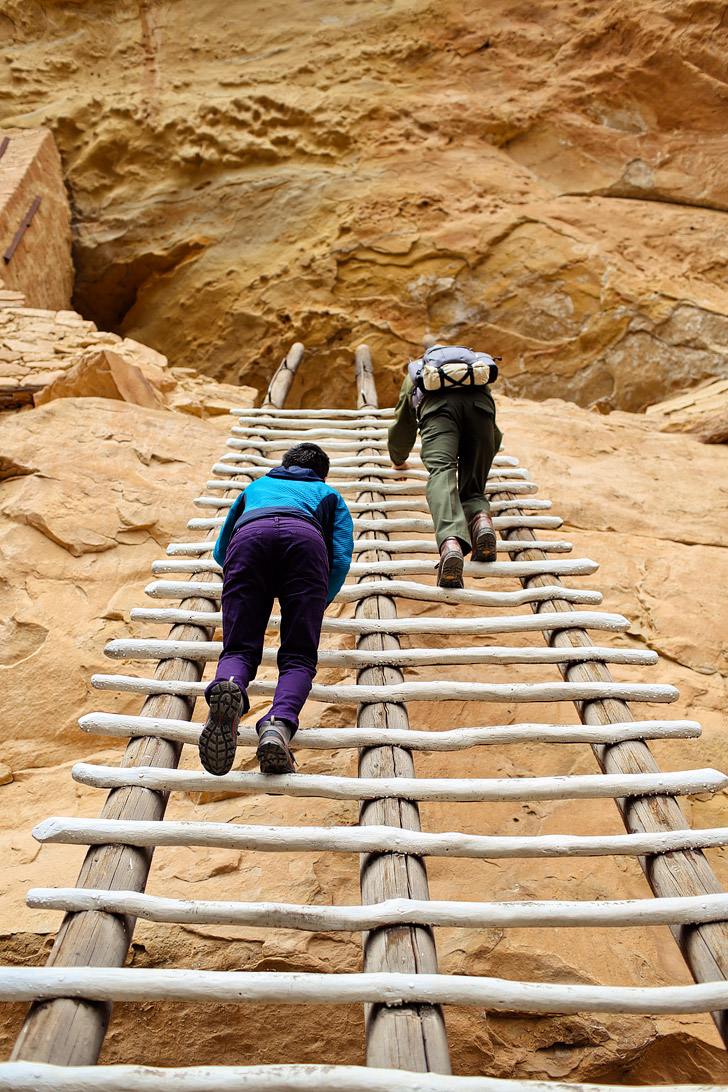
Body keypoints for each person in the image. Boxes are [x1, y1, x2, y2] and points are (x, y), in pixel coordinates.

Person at [199, 441, 354, 777]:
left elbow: (220, 550)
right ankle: (277, 727)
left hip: (248, 541)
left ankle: (230, 687)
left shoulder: (256, 487)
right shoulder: (329, 496)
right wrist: (317, 600)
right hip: (305, 543)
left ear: (285, 464)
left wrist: (246, 586)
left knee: (239, 646)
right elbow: (340, 558)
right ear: (320, 474)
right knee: (298, 654)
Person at [388, 344, 503, 589]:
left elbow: (402, 428)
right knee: (472, 488)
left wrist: (398, 459)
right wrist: (486, 452)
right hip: (481, 415)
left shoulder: (418, 377)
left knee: (443, 472)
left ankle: (451, 544)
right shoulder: (475, 373)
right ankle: (481, 522)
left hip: (438, 415)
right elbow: (494, 429)